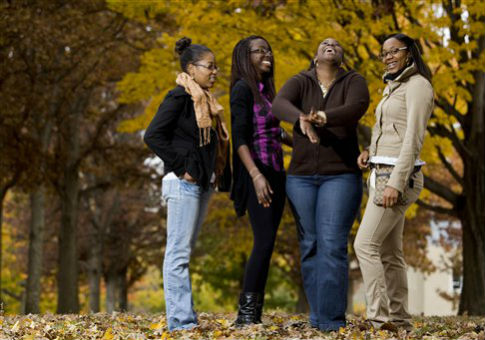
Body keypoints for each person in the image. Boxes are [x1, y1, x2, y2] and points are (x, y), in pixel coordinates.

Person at [272, 38, 370, 331]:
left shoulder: (353, 80)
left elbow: (357, 107)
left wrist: (325, 117)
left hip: (340, 174)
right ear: (315, 56)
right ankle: (319, 319)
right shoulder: (301, 81)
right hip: (300, 177)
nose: (330, 44)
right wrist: (301, 118)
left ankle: (331, 323)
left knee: (332, 243)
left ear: (341, 57)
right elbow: (279, 104)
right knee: (310, 244)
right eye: (324, 43)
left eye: (337, 44)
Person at [144, 37, 231, 331]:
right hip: (183, 185)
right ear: (191, 69)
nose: (215, 71)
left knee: (183, 253)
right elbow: (153, 135)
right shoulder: (180, 97)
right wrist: (184, 169)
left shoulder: (204, 100)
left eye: (217, 66)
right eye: (210, 66)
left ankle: (185, 318)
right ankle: (181, 323)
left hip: (201, 185)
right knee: (177, 254)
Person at [354, 33, 434, 332]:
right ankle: (399, 319)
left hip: (398, 177)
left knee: (364, 244)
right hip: (381, 172)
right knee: (389, 253)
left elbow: (413, 139)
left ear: (410, 53)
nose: (387, 56)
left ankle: (379, 320)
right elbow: (391, 132)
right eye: (383, 53)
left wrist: (396, 183)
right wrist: (370, 154)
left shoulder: (418, 87)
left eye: (394, 51)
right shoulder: (394, 85)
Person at [230, 35, 292, 325]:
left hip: (278, 174)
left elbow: (273, 132)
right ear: (245, 56)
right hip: (259, 173)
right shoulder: (242, 89)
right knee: (263, 241)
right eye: (259, 50)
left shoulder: (267, 92)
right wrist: (255, 176)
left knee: (268, 243)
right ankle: (246, 315)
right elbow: (241, 139)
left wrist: (301, 138)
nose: (267, 54)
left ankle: (254, 313)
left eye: (268, 49)